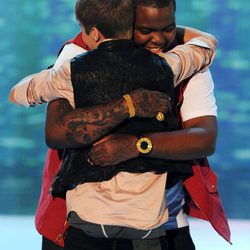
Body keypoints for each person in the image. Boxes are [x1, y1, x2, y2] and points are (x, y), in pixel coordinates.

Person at [9, 0, 231, 249]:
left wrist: (138, 145)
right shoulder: (80, 57)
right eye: (146, 30)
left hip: (161, 225)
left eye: (167, 28)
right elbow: (57, 133)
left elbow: (204, 138)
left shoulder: (77, 70)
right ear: (128, 23)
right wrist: (129, 105)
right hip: (79, 225)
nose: (158, 39)